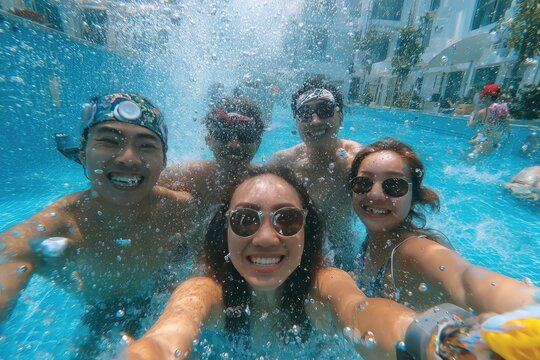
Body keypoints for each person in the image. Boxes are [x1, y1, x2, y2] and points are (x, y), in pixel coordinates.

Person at [122, 167, 495, 360]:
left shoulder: (325, 285)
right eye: (245, 220)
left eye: (286, 220)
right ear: (225, 232)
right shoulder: (205, 292)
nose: (266, 238)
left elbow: (362, 310)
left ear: (306, 231)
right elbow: (166, 337)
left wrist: (434, 340)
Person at [0, 93, 195, 356]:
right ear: (83, 152)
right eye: (109, 141)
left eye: (146, 145)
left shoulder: (180, 209)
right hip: (100, 311)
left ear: (164, 161)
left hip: (163, 299)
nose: (129, 158)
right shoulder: (55, 226)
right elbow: (10, 254)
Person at [349, 138, 538, 313]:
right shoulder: (374, 238)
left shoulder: (415, 251)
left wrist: (526, 306)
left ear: (414, 196)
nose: (374, 195)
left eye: (394, 186)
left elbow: (466, 280)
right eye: (363, 182)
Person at [268, 77, 362, 271]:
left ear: (340, 116)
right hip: (294, 248)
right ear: (297, 122)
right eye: (305, 114)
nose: (315, 121)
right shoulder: (283, 163)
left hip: (342, 250)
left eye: (325, 110)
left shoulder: (358, 160)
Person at [158, 97, 265, 256]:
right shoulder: (189, 176)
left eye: (245, 135)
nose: (234, 145)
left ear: (258, 143)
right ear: (209, 140)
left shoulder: (268, 183)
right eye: (223, 135)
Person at [467, 84, 511, 161]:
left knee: (470, 158)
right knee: (471, 154)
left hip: (488, 141)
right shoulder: (502, 108)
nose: (482, 99)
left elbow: (472, 127)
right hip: (492, 141)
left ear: (487, 97)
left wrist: (472, 116)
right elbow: (507, 129)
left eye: (483, 96)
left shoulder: (484, 111)